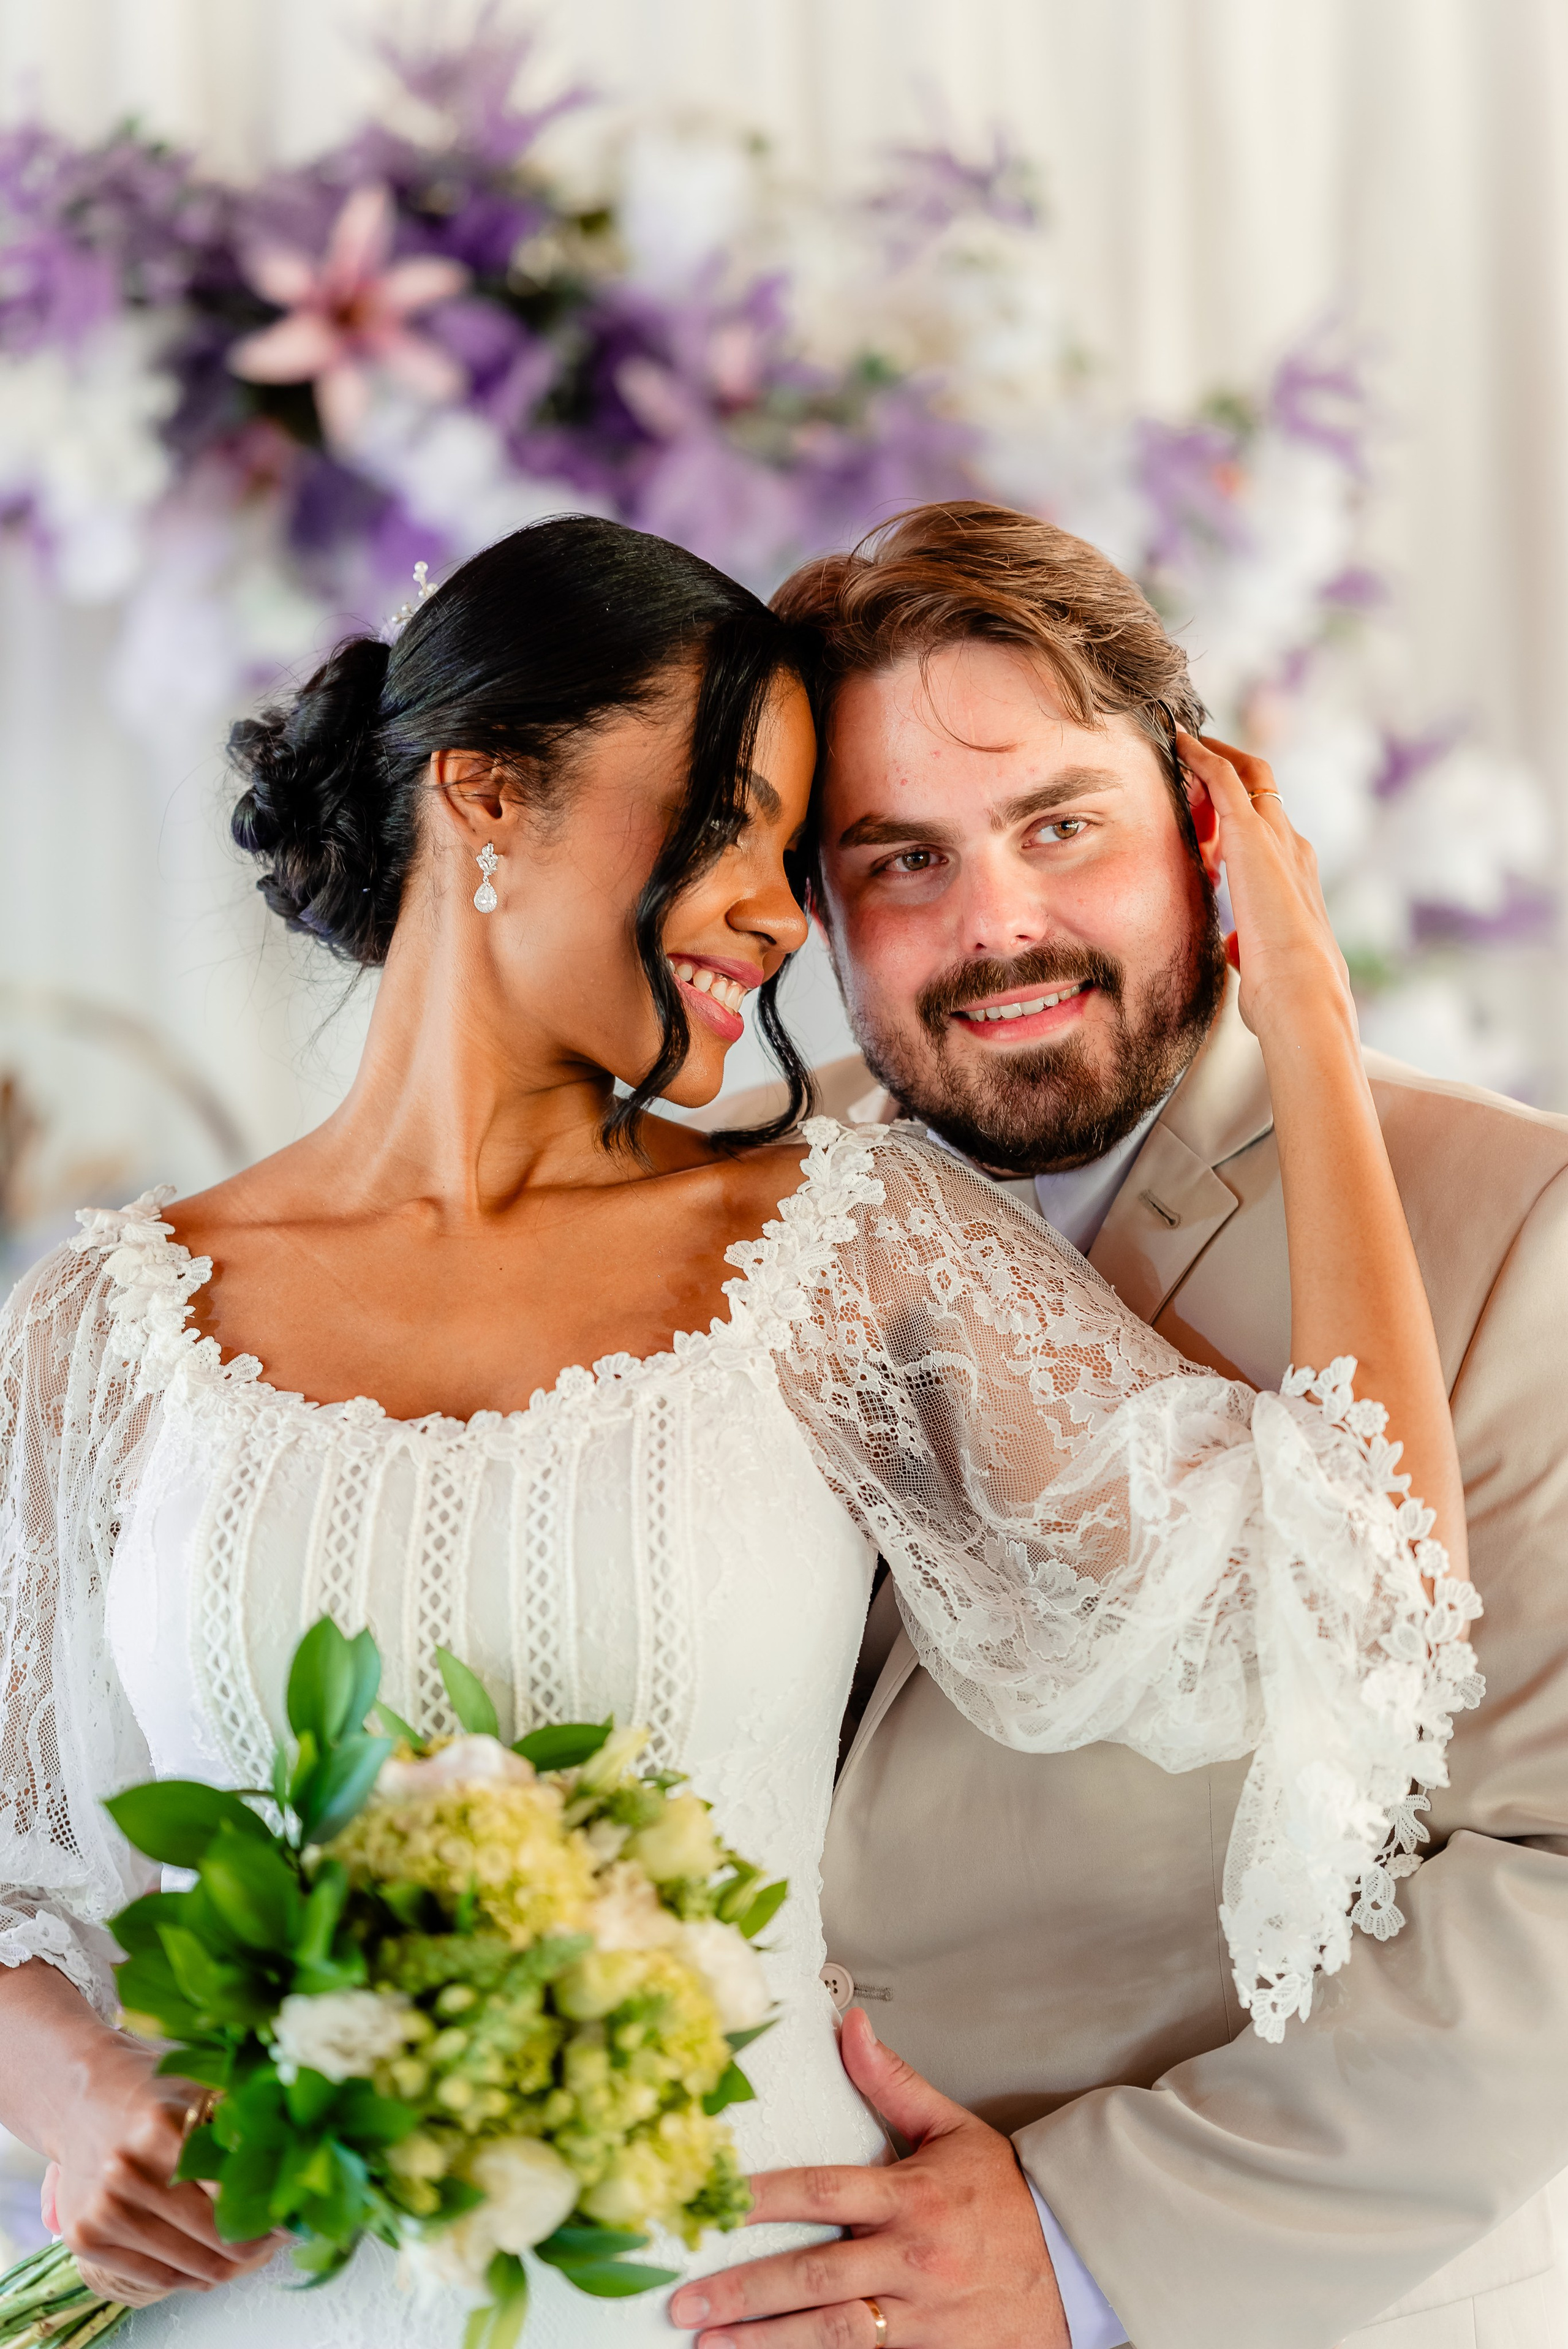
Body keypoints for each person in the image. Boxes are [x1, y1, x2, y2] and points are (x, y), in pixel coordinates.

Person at [0, 515, 1472, 2349]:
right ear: (487, 798)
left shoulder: (840, 1239)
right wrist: (68, 2090)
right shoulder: (104, 1321)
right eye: (725, 825)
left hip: (735, 2299)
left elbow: (1360, 1588)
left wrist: (1307, 1008)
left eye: (794, 854)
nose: (783, 912)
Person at [685, 500, 1568, 2349]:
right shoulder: (732, 1199)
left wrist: (1083, 2250)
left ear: (1204, 818)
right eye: (900, 856)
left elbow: (1552, 1878)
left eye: (1058, 825)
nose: (996, 923)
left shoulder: (1513, 1225)